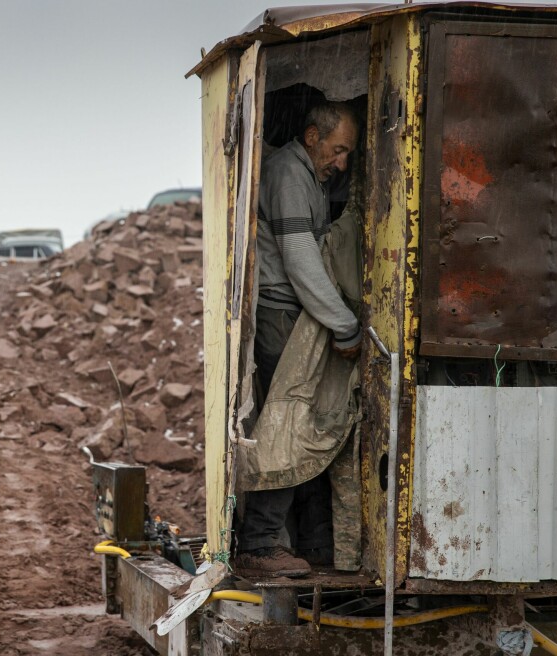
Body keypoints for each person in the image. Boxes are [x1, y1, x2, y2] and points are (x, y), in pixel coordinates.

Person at [235, 102, 362, 579]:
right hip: (283, 317)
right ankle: (261, 543)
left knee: (303, 423)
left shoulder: (310, 175)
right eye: (338, 150)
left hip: (296, 316)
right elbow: (299, 258)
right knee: (288, 424)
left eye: (348, 152)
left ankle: (311, 542)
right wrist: (344, 324)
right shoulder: (289, 173)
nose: (342, 162)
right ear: (312, 137)